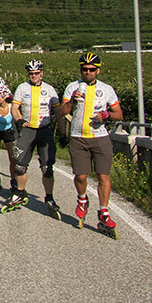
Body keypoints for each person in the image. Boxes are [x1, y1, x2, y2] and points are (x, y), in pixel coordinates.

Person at [60, 52, 123, 238]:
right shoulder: (72, 87)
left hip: (100, 137)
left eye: (92, 69)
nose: (88, 72)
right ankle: (82, 199)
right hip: (78, 137)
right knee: (80, 176)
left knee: (104, 176)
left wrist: (107, 116)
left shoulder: (107, 89)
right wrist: (71, 101)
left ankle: (104, 212)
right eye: (85, 69)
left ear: (98, 70)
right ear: (81, 70)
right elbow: (61, 112)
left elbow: (119, 114)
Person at [1, 59, 61, 218]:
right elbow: (15, 107)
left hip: (44, 130)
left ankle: (49, 198)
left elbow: (59, 111)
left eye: (36, 73)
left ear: (42, 73)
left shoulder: (50, 89)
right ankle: (20, 192)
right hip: (28, 129)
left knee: (47, 168)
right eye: (31, 73)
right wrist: (19, 120)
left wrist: (62, 131)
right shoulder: (22, 87)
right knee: (19, 164)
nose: (34, 76)